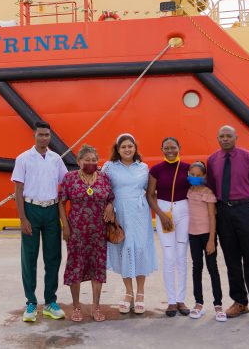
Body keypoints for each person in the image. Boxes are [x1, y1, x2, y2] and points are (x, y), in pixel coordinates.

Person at [206, 125, 249, 327]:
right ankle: (240, 302)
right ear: (217, 138)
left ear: (236, 137)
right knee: (232, 261)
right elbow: (211, 189)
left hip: (245, 210)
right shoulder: (213, 160)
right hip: (224, 212)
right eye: (221, 136)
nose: (225, 139)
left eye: (228, 136)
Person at [12, 121, 68, 322]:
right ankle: (31, 302)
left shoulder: (55, 159)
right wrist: (22, 218)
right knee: (29, 257)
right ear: (34, 136)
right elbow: (18, 191)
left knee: (53, 257)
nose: (44, 138)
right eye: (41, 134)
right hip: (31, 209)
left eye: (47, 135)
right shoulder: (23, 159)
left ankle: (50, 302)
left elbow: (67, 183)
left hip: (52, 209)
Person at [58, 145, 115, 322]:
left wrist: (110, 206)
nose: (91, 163)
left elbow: (111, 197)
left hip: (99, 231)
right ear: (79, 161)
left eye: (93, 160)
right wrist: (65, 226)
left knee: (97, 268)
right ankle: (76, 307)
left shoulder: (104, 178)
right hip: (76, 231)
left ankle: (95, 306)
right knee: (75, 266)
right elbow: (61, 202)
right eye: (87, 160)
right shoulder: (70, 178)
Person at [103, 133, 157, 315]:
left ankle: (141, 293)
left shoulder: (143, 167)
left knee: (140, 249)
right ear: (117, 150)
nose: (127, 149)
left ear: (135, 148)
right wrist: (109, 205)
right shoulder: (109, 167)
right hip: (120, 213)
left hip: (140, 214)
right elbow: (103, 189)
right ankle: (128, 293)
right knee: (124, 249)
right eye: (123, 146)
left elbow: (150, 192)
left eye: (130, 146)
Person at [146, 136, 191, 317]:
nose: (170, 150)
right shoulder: (156, 169)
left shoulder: (188, 168)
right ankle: (171, 301)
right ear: (162, 149)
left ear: (179, 147)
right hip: (164, 211)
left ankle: (181, 299)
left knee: (182, 257)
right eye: (166, 148)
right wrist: (161, 215)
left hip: (184, 211)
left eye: (173, 147)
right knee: (169, 256)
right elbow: (150, 195)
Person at [186, 161, 225, 322]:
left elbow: (212, 216)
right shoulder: (188, 191)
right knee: (197, 268)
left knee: (212, 268)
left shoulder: (207, 192)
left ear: (204, 176)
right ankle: (199, 303)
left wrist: (211, 240)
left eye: (198, 175)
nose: (194, 177)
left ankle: (218, 305)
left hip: (206, 235)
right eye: (192, 174)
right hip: (192, 235)